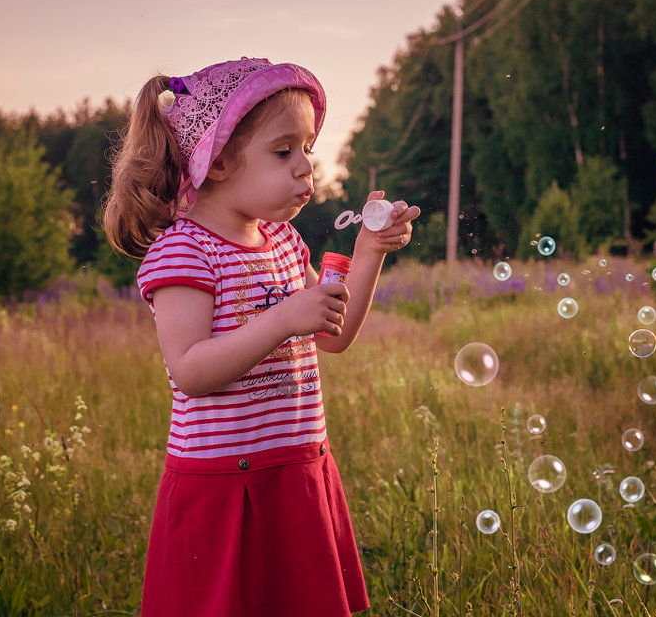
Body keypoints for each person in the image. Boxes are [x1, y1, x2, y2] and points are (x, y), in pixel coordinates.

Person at [103, 57, 420, 617]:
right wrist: (280, 321)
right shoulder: (185, 251)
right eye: (283, 152)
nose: (306, 170)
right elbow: (191, 371)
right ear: (218, 161)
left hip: (295, 471)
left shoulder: (281, 240)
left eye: (308, 151)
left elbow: (334, 335)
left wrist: (369, 252)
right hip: (226, 490)